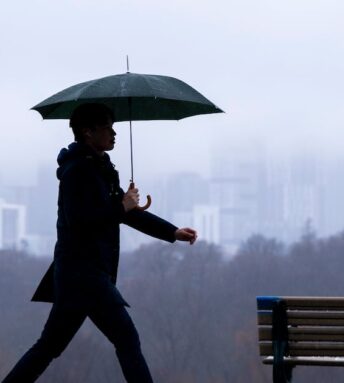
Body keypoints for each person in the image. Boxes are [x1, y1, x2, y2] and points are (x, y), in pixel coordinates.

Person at [2, 103, 197, 382]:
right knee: (127, 339)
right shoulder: (77, 171)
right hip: (84, 276)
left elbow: (124, 216)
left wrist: (173, 232)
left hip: (81, 277)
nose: (114, 133)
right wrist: (122, 207)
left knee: (48, 347)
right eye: (108, 127)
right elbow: (80, 221)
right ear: (87, 131)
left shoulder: (100, 167)